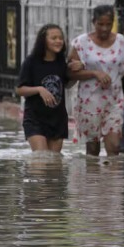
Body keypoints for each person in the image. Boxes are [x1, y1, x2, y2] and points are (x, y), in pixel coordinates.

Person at [68, 5, 124, 157]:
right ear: (93, 22)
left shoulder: (122, 42)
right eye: (101, 24)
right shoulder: (81, 43)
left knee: (114, 146)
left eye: (109, 24)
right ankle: (94, 180)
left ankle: (112, 180)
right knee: (93, 150)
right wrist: (94, 73)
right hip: (88, 102)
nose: (105, 28)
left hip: (114, 101)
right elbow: (70, 74)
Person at [15, 24, 81, 152]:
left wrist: (76, 73)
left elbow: (66, 85)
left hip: (58, 119)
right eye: (53, 38)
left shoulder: (62, 61)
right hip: (35, 119)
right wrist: (39, 89)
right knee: (41, 158)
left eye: (60, 38)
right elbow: (19, 89)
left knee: (54, 164)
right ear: (43, 40)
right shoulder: (31, 62)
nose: (58, 41)